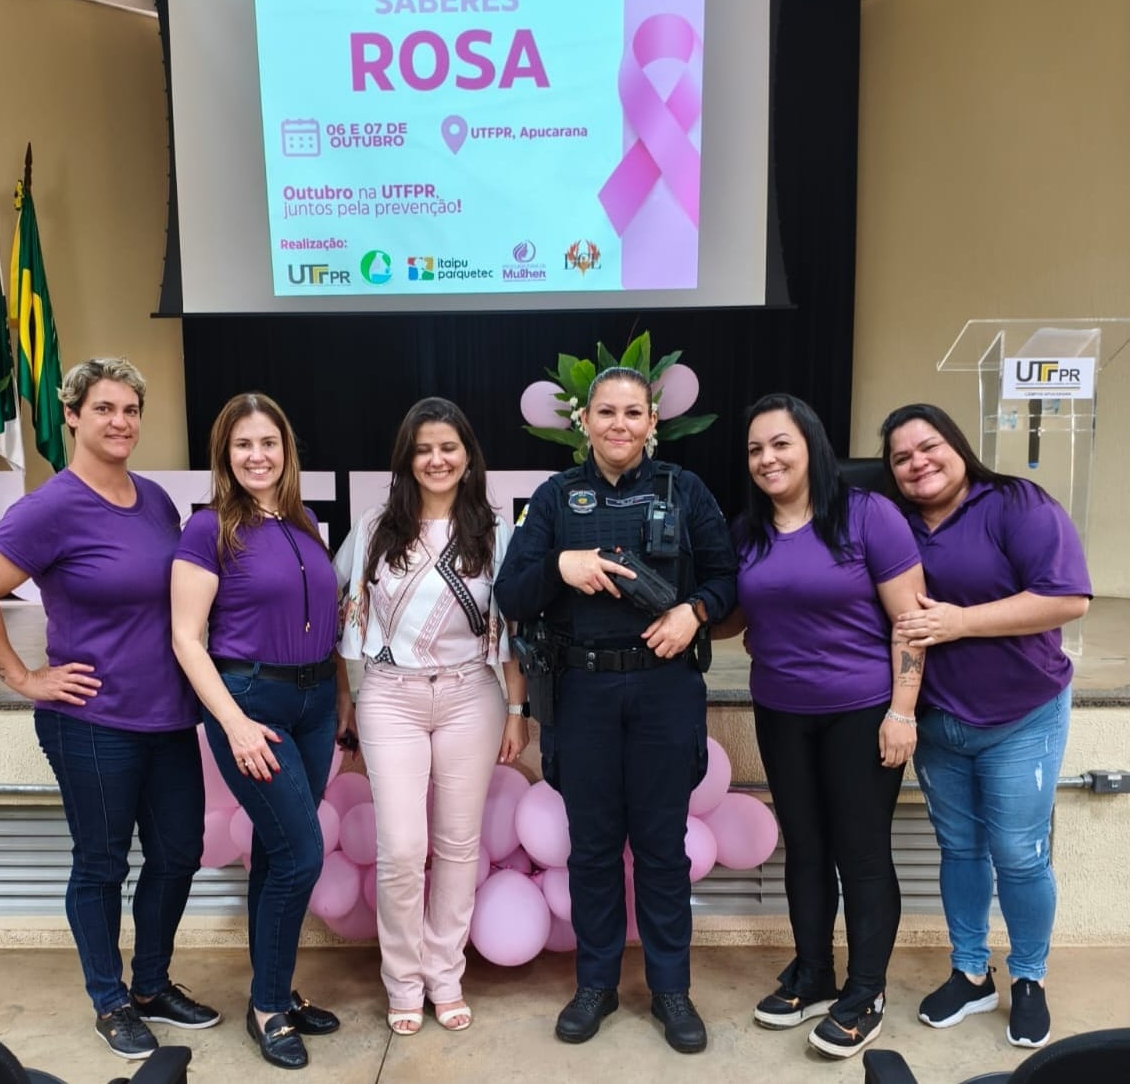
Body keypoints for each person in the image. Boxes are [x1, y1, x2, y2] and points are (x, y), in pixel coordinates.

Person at [0, 358, 220, 1060]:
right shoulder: (51, 507)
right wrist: (22, 676)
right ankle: (110, 999)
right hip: (93, 721)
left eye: (130, 409)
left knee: (179, 853)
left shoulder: (155, 500)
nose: (120, 421)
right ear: (71, 416)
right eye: (103, 408)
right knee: (101, 863)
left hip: (167, 717)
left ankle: (151, 984)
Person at [494, 366, 737, 1055]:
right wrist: (560, 566)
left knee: (662, 849)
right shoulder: (554, 498)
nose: (620, 424)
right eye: (606, 411)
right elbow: (512, 594)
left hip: (664, 689)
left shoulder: (685, 490)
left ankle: (670, 990)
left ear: (652, 421)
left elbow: (727, 578)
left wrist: (695, 612)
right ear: (585, 421)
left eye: (633, 412)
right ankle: (596, 984)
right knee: (593, 849)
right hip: (584, 694)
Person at [881, 404, 1090, 1050]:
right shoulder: (892, 524)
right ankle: (971, 972)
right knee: (960, 849)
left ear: (958, 445)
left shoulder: (1017, 503)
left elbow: (1067, 598)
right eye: (901, 457)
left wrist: (959, 622)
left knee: (1019, 854)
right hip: (939, 722)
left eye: (929, 446)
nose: (918, 463)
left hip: (1021, 714)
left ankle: (1028, 976)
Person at [725, 393, 925, 1060]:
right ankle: (814, 973)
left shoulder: (869, 515)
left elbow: (911, 623)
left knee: (860, 853)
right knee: (805, 848)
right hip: (781, 710)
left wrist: (902, 710)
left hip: (861, 712)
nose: (767, 458)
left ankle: (865, 991)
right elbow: (734, 612)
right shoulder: (749, 530)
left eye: (780, 443)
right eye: (755, 449)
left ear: (811, 444)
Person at [334, 397, 527, 1036]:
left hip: (472, 695)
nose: (436, 459)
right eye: (423, 449)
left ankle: (445, 973)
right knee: (401, 848)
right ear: (406, 459)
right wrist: (345, 701)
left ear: (468, 455)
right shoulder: (373, 528)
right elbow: (338, 612)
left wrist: (516, 709)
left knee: (458, 845)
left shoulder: (495, 531)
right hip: (390, 696)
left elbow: (512, 630)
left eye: (448, 447)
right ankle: (402, 981)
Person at [171, 392, 347, 1071]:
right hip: (252, 701)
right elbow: (187, 639)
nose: (257, 455)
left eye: (268, 442)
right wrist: (235, 721)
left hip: (314, 703)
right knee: (302, 855)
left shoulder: (304, 521)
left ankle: (277, 989)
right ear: (225, 453)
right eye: (242, 444)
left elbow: (327, 623)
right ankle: (269, 1007)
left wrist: (342, 699)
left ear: (285, 449)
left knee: (278, 854)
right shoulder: (207, 529)